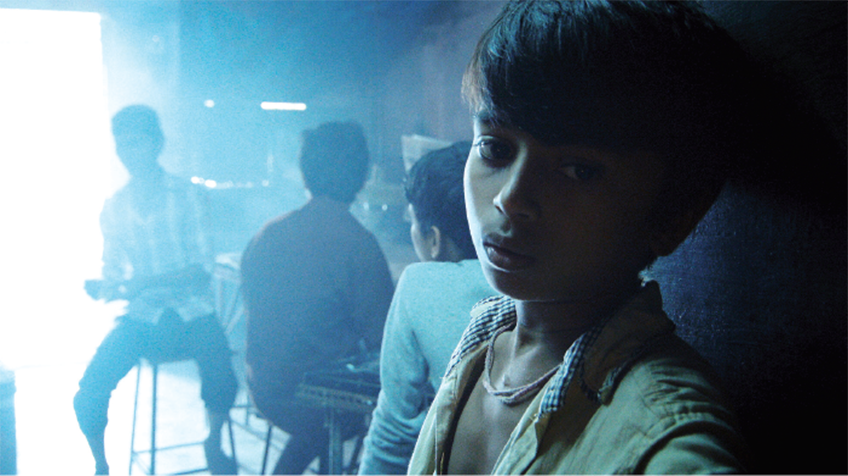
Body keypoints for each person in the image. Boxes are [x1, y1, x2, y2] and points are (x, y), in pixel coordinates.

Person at [408, 0, 763, 473]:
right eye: (495, 148)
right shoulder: (484, 339)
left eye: (579, 170)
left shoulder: (667, 438)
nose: (511, 198)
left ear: (674, 216)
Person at [74, 105, 238, 475]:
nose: (128, 153)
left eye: (136, 143)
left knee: (223, 378)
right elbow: (115, 273)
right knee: (88, 392)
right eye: (122, 145)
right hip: (144, 316)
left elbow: (202, 271)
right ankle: (101, 464)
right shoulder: (114, 207)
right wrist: (105, 286)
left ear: (157, 144)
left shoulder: (188, 195)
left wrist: (143, 283)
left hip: (193, 311)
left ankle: (212, 442)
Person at [240, 121, 395, 475]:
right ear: (361, 175)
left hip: (263, 386)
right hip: (321, 398)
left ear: (305, 173)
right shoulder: (359, 244)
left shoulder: (267, 232)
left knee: (321, 415)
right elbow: (383, 338)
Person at [359, 142, 496, 474]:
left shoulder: (420, 283)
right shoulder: (544, 282)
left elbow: (396, 425)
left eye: (411, 222)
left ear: (434, 239)